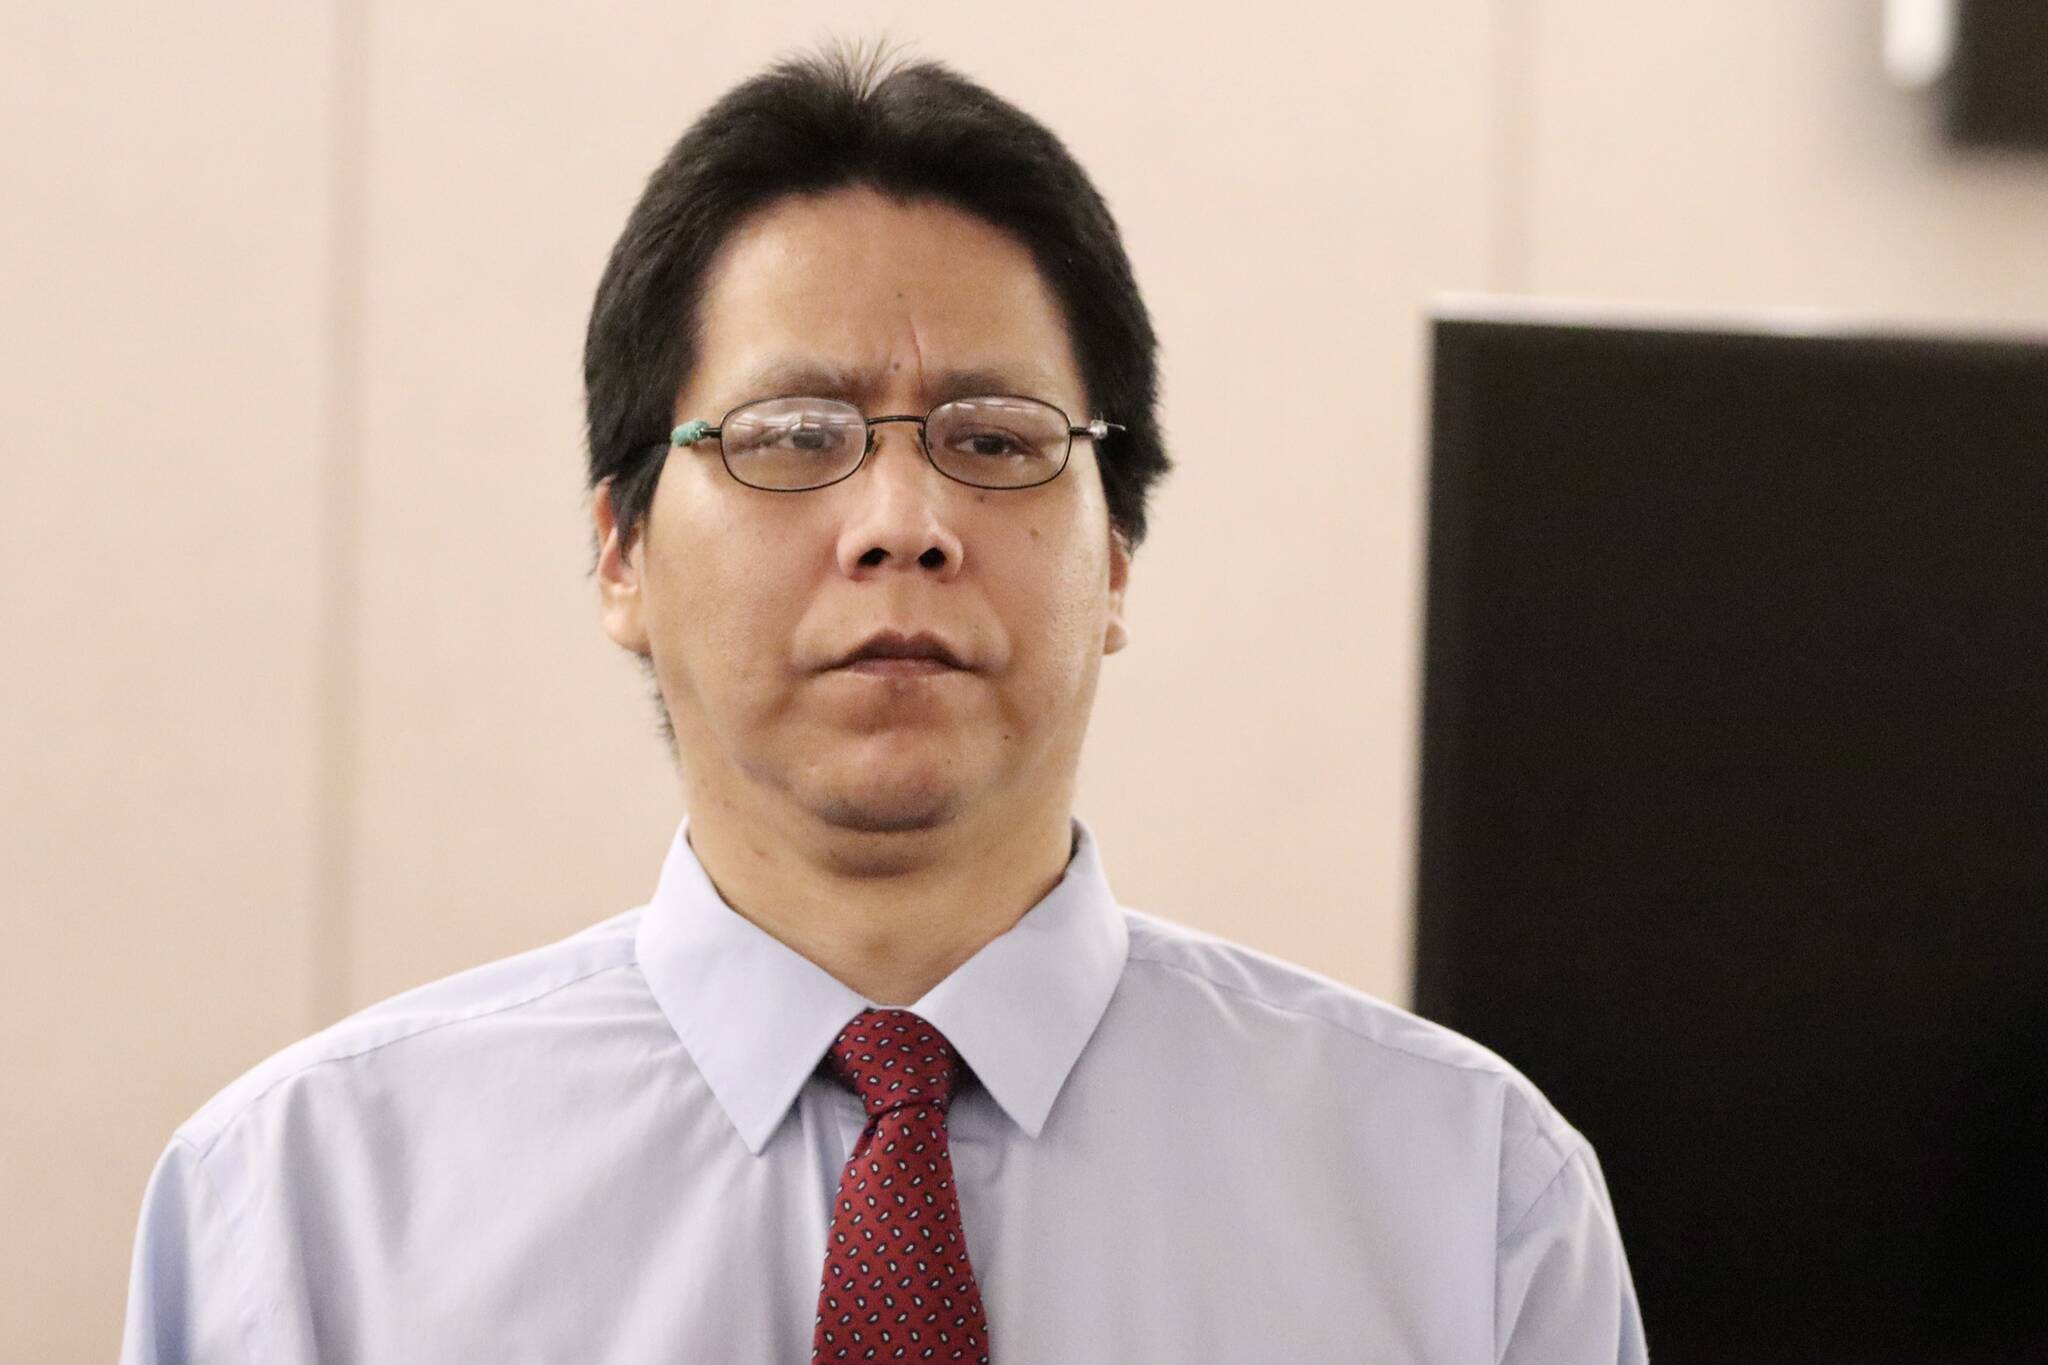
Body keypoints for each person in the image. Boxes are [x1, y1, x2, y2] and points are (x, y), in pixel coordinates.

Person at [119, 47, 1647, 1363]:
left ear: (1115, 558)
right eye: (794, 434)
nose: (900, 516)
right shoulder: (303, 1210)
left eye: (994, 438)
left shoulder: (1465, 1199)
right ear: (618, 552)